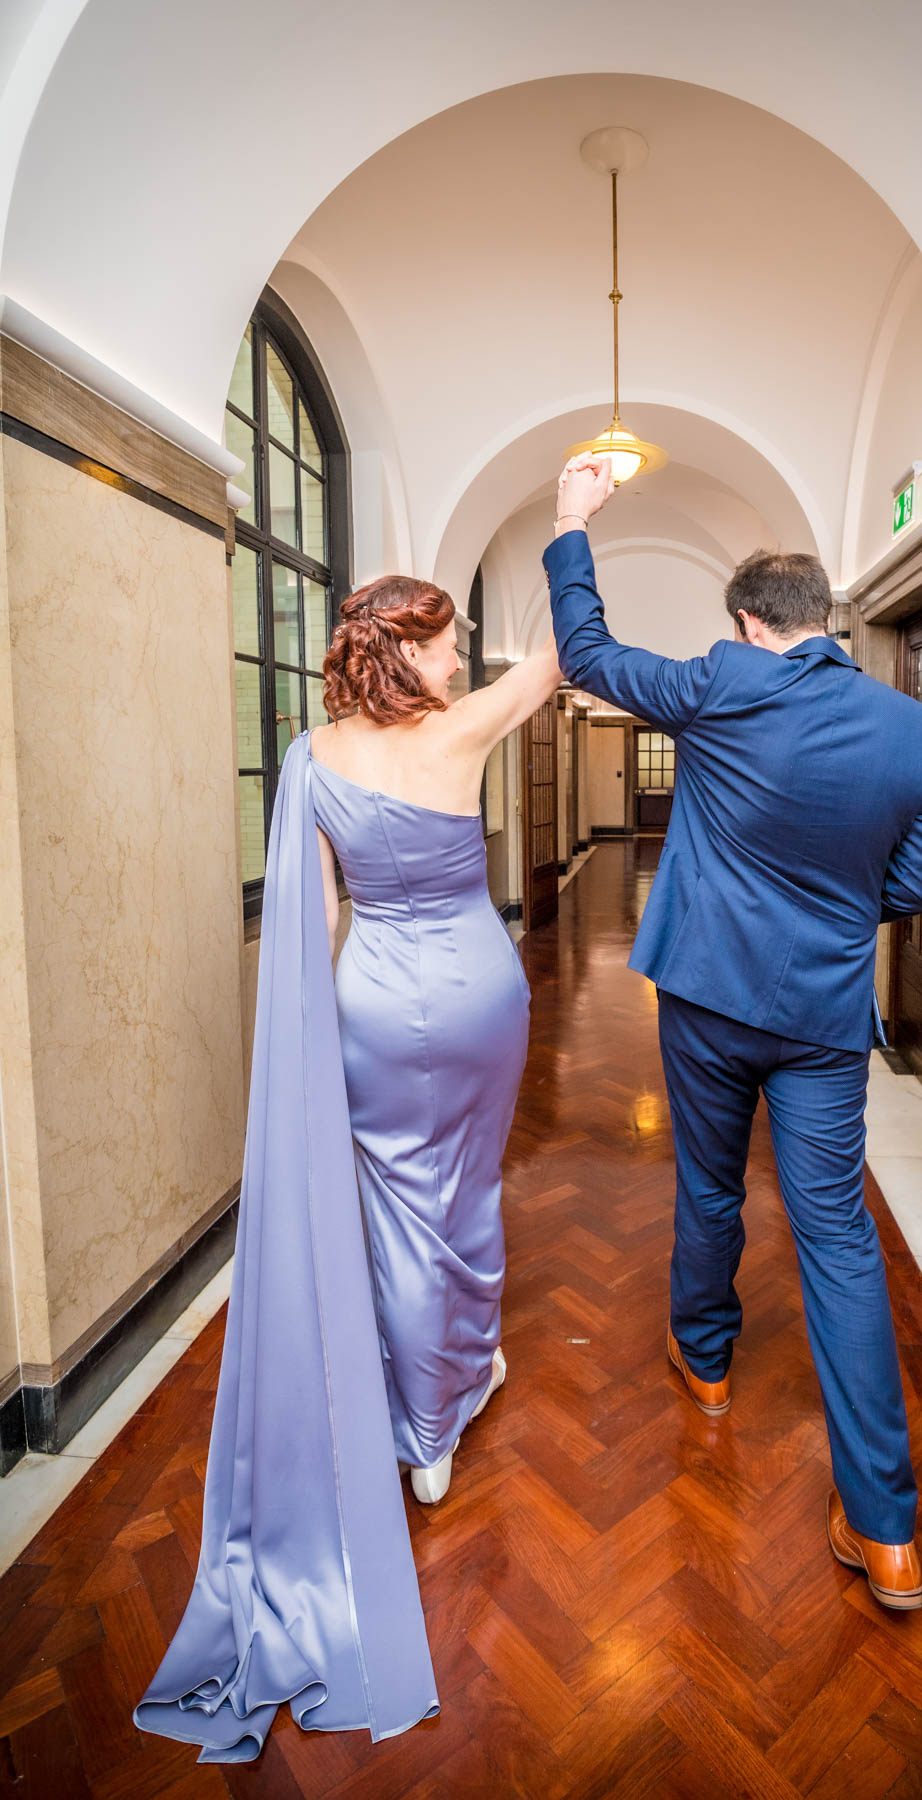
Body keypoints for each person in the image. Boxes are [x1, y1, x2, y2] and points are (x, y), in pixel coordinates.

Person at [134, 576, 561, 1762]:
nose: (465, 657)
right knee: (469, 1188)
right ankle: (438, 1420)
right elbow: (563, 657)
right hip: (477, 995)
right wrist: (573, 527)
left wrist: (315, 1040)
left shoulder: (311, 755)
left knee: (400, 1206)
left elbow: (317, 923)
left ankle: (437, 1384)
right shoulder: (462, 733)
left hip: (376, 1000)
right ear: (407, 648)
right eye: (451, 639)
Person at [545, 456, 922, 1612]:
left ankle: (708, 1366)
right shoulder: (909, 730)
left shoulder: (725, 684)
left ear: (747, 624)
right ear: (821, 621)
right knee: (839, 1242)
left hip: (711, 1003)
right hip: (823, 1018)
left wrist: (574, 524)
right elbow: (913, 884)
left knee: (711, 1190)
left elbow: (589, 655)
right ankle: (887, 1534)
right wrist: (824, 914)